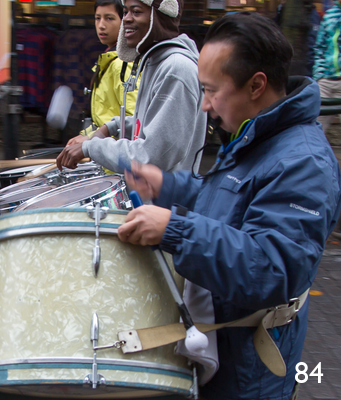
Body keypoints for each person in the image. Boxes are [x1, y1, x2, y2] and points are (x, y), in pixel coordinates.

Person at [118, 12, 341, 400]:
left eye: (211, 90)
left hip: (250, 369)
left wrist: (173, 228)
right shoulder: (257, 131)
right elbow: (226, 197)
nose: (204, 105)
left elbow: (271, 269)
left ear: (256, 85)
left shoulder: (304, 163)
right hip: (223, 344)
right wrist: (167, 185)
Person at [56, 0, 206, 174]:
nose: (126, 19)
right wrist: (109, 128)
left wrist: (91, 147)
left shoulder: (176, 69)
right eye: (125, 11)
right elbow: (147, 121)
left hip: (165, 201)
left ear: (160, 16)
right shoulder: (156, 62)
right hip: (147, 198)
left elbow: (151, 157)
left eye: (136, 12)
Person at [78, 0, 139, 138]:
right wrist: (86, 136)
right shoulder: (108, 60)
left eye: (109, 18)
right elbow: (102, 118)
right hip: (102, 147)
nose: (101, 25)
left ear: (125, 20)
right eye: (97, 18)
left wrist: (90, 139)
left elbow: (133, 122)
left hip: (114, 152)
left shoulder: (122, 65)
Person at [313, 0, 341, 133]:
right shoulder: (329, 16)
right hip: (326, 80)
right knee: (317, 129)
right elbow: (320, 47)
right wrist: (319, 76)